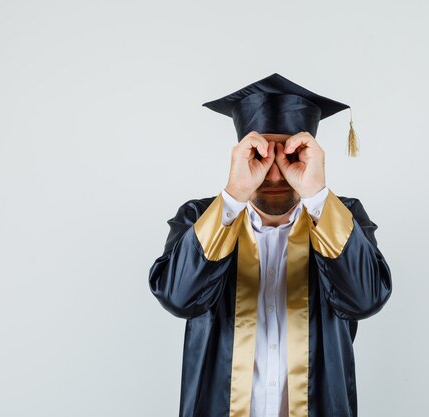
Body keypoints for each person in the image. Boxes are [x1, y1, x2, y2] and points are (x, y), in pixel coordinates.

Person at [148, 73, 392, 417]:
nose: (275, 174)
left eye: (291, 155)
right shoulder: (201, 217)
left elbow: (365, 299)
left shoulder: (342, 217)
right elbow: (178, 297)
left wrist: (317, 192)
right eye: (261, 154)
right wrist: (233, 196)